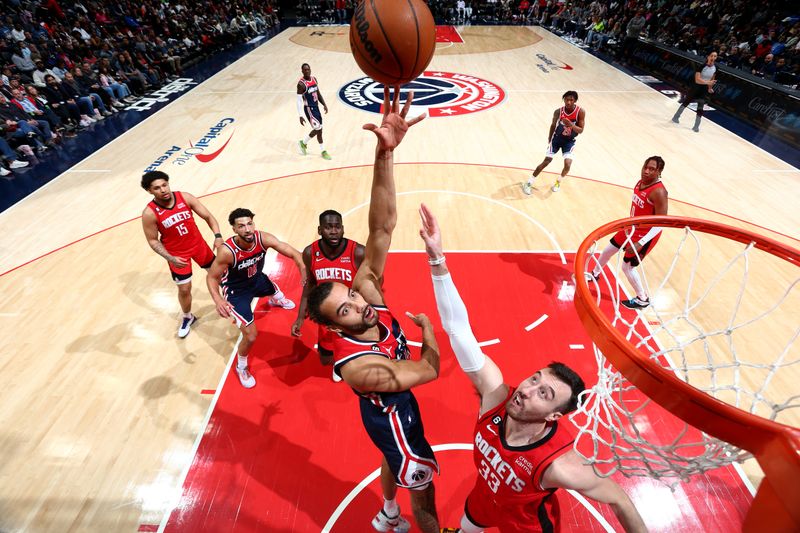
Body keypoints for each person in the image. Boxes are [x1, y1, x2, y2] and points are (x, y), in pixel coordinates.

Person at [417, 203, 648, 533]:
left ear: (554, 415)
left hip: (525, 526)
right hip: (485, 497)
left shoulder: (560, 466)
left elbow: (620, 500)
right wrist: (437, 258)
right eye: (535, 378)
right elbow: (458, 329)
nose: (526, 389)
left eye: (544, 393)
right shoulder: (496, 396)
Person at [306, 88, 445, 533]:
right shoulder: (359, 368)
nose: (358, 306)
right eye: (344, 312)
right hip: (391, 413)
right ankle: (404, 519)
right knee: (422, 491)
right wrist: (430, 332)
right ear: (333, 328)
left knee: (391, 463)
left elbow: (382, 226)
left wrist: (385, 154)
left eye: (352, 296)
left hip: (393, 397)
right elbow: (429, 370)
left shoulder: (367, 294)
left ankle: (386, 514)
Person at [206, 208, 306, 389]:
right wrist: (218, 299)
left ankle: (276, 298)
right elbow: (212, 277)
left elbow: (292, 252)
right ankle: (241, 366)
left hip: (256, 279)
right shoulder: (227, 252)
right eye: (241, 226)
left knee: (270, 286)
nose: (247, 229)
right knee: (251, 336)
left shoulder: (263, 238)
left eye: (250, 223)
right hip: (237, 292)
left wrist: (302, 268)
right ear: (234, 229)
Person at [141, 170, 224, 338]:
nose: (163, 190)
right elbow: (153, 241)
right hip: (177, 255)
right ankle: (187, 316)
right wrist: (170, 258)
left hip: (199, 246)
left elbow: (208, 217)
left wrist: (217, 236)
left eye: (165, 185)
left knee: (221, 276)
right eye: (157, 188)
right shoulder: (149, 213)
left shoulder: (185, 197)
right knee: (185, 289)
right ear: (150, 191)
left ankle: (235, 300)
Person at [290, 209, 366, 378]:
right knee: (325, 358)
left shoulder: (358, 252)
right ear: (319, 230)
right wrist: (300, 316)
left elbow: (371, 284)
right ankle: (339, 364)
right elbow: (310, 284)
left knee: (357, 346)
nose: (333, 231)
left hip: (352, 311)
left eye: (337, 227)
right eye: (328, 227)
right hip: (327, 312)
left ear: (343, 229)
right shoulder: (310, 253)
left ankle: (350, 363)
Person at [587, 156, 668, 310]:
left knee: (627, 267)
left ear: (659, 171)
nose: (646, 171)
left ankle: (642, 298)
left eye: (651, 169)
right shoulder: (640, 181)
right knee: (608, 250)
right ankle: (595, 273)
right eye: (645, 167)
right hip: (631, 227)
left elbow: (661, 223)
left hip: (645, 235)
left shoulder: (659, 192)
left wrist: (640, 243)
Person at [523, 90, 585, 194]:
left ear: (575, 101)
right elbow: (553, 125)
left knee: (568, 164)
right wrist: (549, 138)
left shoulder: (580, 111)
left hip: (569, 142)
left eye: (571, 100)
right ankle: (529, 182)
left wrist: (571, 125)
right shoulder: (558, 111)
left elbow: (581, 130)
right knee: (547, 161)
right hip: (557, 139)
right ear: (563, 100)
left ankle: (558, 182)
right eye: (566, 99)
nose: (568, 102)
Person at [671, 51, 717, 132]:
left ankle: (696, 126)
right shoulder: (701, 67)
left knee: (700, 107)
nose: (713, 57)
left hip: (703, 90)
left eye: (715, 56)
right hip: (695, 88)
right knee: (686, 102)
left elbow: (712, 79)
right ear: (708, 57)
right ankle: (676, 117)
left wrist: (710, 88)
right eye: (712, 56)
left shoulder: (716, 68)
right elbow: (697, 80)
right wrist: (707, 83)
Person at [296, 63, 331, 160]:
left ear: (310, 70)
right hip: (309, 109)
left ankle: (303, 143)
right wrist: (300, 115)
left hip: (316, 107)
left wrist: (324, 104)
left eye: (308, 69)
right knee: (318, 129)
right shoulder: (301, 84)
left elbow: (318, 93)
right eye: (305, 70)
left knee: (319, 129)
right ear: (302, 71)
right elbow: (298, 101)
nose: (307, 71)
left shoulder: (314, 79)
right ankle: (323, 150)